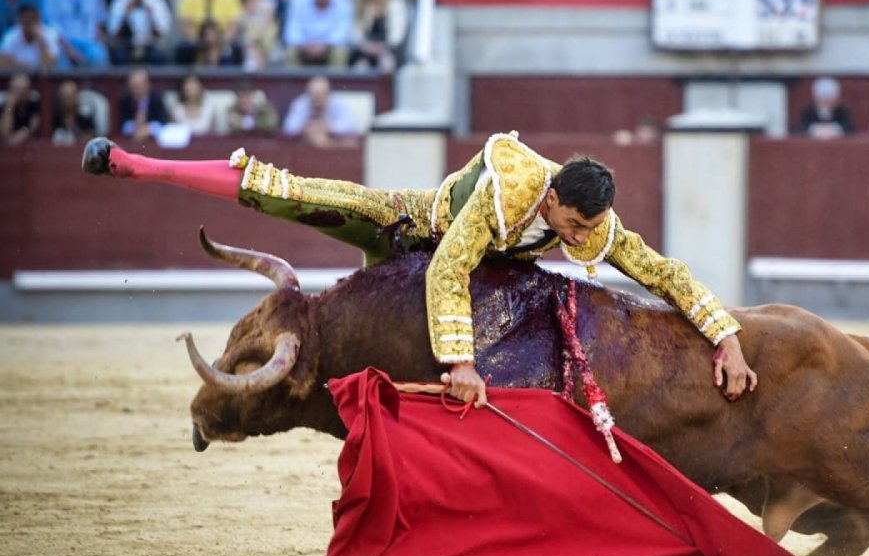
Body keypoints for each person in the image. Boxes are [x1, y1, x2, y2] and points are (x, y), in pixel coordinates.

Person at [80, 132, 759, 406]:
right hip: (408, 230)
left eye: (588, 231)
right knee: (289, 189)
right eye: (574, 227)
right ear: (552, 199)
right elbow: (447, 270)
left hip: (455, 286)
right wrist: (461, 363)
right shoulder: (511, 188)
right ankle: (134, 164)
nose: (581, 241)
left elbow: (663, 273)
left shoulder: (594, 221)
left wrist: (724, 334)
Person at [40, 0, 109, 67]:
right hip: (62, 45)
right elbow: (51, 28)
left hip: (89, 43)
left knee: (100, 53)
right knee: (59, 58)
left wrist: (95, 40)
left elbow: (99, 20)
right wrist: (68, 49)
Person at [284, 0, 352, 67]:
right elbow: (291, 33)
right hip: (304, 47)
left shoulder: (343, 4)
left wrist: (323, 45)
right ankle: (292, 82)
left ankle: (335, 82)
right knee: (291, 52)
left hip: (329, 47)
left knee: (340, 52)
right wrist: (306, 45)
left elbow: (343, 34)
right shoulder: (299, 2)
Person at [176, 0, 243, 65]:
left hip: (221, 40)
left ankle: (225, 78)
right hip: (197, 41)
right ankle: (187, 78)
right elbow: (185, 26)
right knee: (183, 49)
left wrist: (219, 42)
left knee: (234, 50)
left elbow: (234, 27)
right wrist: (199, 42)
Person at [106, 0, 170, 65]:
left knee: (159, 56)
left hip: (150, 46)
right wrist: (125, 16)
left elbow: (162, 33)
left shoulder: (157, 2)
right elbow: (113, 34)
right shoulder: (119, 3)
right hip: (126, 45)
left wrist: (151, 17)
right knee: (118, 56)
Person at [281, 74, 359, 147]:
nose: (317, 99)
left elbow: (350, 126)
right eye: (314, 95)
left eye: (321, 95)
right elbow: (289, 128)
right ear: (308, 94)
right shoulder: (301, 103)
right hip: (307, 143)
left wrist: (326, 127)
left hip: (335, 141)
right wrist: (309, 128)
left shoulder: (338, 103)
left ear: (328, 93)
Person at [350, 0, 405, 73]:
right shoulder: (363, 6)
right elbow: (356, 36)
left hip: (387, 50)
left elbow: (396, 36)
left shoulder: (395, 4)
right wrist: (367, 47)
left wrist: (381, 48)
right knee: (360, 68)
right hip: (366, 51)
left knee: (386, 65)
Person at [236, 0, 278, 71]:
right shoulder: (237, 3)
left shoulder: (269, 2)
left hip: (262, 41)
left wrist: (253, 40)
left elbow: (266, 26)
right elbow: (236, 27)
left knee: (257, 41)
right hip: (242, 41)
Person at [0, 3, 60, 70]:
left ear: (39, 20)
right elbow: (2, 63)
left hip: (44, 78)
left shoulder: (50, 34)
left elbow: (50, 66)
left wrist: (41, 40)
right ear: (20, 21)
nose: (30, 26)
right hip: (17, 75)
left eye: (33, 21)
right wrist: (31, 67)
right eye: (27, 22)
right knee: (20, 80)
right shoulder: (11, 36)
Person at [117, 67, 169, 140]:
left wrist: (148, 129)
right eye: (134, 84)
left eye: (140, 84)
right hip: (131, 139)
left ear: (148, 84)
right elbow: (121, 124)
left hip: (153, 139)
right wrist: (135, 128)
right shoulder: (125, 100)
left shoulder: (157, 98)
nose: (138, 88)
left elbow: (163, 122)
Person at [50, 79, 97, 144]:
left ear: (77, 97)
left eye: (70, 97)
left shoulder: (85, 117)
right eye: (64, 97)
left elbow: (91, 139)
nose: (67, 101)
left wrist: (75, 130)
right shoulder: (53, 119)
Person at [1, 71, 39, 145]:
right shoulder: (4, 107)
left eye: (23, 89)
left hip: (30, 146)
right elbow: (4, 132)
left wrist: (25, 131)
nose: (20, 93)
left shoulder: (34, 106)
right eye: (16, 89)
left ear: (28, 90)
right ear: (10, 90)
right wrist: (10, 106)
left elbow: (34, 125)